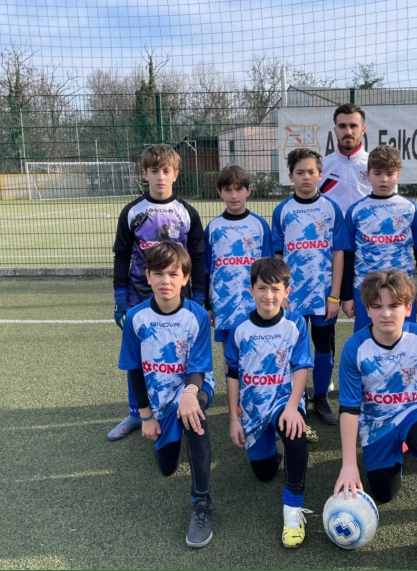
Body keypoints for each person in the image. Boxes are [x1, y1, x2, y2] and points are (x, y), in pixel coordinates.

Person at [334, 270, 417, 570]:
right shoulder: (355, 348)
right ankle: (399, 449)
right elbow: (349, 409)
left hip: (415, 411)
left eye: (394, 306)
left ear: (408, 307)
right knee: (384, 494)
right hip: (376, 423)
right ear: (367, 309)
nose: (385, 313)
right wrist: (348, 464)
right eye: (377, 306)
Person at [117, 242, 215, 547]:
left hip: (195, 386)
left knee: (195, 418)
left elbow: (199, 366)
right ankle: (168, 430)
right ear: (148, 276)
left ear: (185, 278)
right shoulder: (136, 318)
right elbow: (134, 369)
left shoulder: (196, 316)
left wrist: (189, 392)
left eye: (173, 274)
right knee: (167, 468)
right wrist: (146, 416)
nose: (165, 280)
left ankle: (201, 503)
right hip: (159, 399)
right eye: (158, 273)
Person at [109, 145, 206, 441]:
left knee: (179, 353)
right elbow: (122, 256)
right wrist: (120, 300)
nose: (160, 177)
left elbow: (198, 257)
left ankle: (178, 402)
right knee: (139, 356)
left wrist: (199, 297)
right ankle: (137, 412)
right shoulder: (133, 211)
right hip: (139, 298)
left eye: (166, 171)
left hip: (179, 299)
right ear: (145, 174)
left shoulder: (187, 212)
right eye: (154, 171)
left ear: (176, 174)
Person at [225, 258, 314, 548]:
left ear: (286, 291)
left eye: (275, 289)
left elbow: (301, 367)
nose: (268, 295)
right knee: (263, 474)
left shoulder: (295, 324)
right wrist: (234, 419)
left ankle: (293, 513)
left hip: (283, 401)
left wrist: (293, 407)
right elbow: (232, 375)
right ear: (251, 289)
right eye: (262, 288)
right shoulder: (240, 329)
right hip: (252, 409)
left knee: (294, 432)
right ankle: (275, 439)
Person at [272, 148, 349, 425]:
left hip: (323, 296)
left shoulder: (331, 208)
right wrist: (281, 294)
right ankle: (297, 396)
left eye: (311, 172)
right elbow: (277, 256)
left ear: (320, 175)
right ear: (291, 176)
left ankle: (320, 396)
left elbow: (338, 253)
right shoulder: (282, 210)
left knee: (324, 347)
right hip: (292, 297)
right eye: (300, 172)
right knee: (292, 346)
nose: (306, 177)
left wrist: (334, 295)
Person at [340, 144, 417, 334]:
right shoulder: (356, 210)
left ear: (398, 175)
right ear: (367, 175)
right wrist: (347, 295)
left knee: (404, 340)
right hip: (365, 287)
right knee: (365, 340)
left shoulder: (410, 208)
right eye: (378, 173)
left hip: (401, 287)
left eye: (390, 174)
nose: (384, 179)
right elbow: (348, 255)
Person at [204, 164, 272, 357]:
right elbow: (207, 270)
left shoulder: (259, 225)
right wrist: (208, 305)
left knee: (257, 351)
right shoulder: (213, 228)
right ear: (220, 192)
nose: (234, 195)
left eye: (239, 189)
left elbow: (269, 269)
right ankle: (231, 378)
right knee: (230, 355)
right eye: (228, 190)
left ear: (248, 190)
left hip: (254, 302)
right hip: (224, 302)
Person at [319, 103, 371, 215]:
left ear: (363, 130)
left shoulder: (375, 166)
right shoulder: (322, 167)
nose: (348, 132)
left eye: (353, 126)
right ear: (335, 130)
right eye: (342, 126)